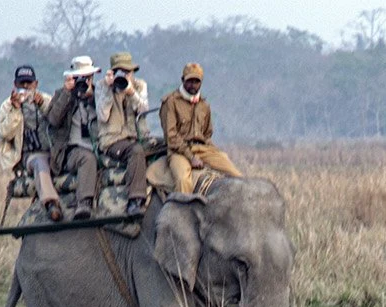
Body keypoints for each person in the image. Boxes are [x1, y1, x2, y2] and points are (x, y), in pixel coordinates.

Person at [160, 61, 243, 187]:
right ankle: (182, 207)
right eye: (189, 81)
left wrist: (215, 152)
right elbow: (171, 137)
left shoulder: (204, 105)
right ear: (182, 80)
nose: (193, 85)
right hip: (179, 152)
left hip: (203, 149)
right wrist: (191, 156)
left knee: (237, 176)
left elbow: (207, 133)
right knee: (183, 181)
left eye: (196, 81)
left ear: (201, 82)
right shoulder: (171, 102)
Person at [0, 64, 62, 221]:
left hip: (52, 151)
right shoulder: (7, 106)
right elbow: (5, 132)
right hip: (28, 156)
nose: (25, 87)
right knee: (39, 162)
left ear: (36, 84)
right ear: (15, 85)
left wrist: (43, 106)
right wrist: (15, 110)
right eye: (21, 84)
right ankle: (50, 203)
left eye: (29, 83)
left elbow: (59, 120)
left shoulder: (45, 99)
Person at [45, 55, 103, 219]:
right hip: (73, 151)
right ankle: (84, 203)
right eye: (80, 78)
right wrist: (67, 94)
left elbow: (107, 114)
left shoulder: (101, 93)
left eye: (87, 78)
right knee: (87, 158)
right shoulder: (62, 94)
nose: (83, 82)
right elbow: (53, 120)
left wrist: (93, 96)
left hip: (101, 146)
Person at [97, 52, 152, 216]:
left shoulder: (140, 85)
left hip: (138, 136)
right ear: (112, 73)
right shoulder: (102, 86)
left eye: (128, 72)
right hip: (113, 140)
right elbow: (103, 115)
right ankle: (135, 200)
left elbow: (143, 109)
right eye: (119, 72)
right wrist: (109, 89)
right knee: (136, 151)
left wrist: (130, 92)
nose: (125, 75)